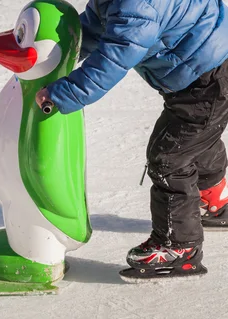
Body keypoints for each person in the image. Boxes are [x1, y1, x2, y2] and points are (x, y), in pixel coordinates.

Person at [35, 0, 228, 281]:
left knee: (168, 158)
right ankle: (214, 198)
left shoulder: (138, 5)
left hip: (208, 78)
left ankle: (179, 247)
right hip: (201, 70)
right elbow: (95, 27)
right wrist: (57, 54)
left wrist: (65, 93)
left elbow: (115, 56)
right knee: (195, 140)